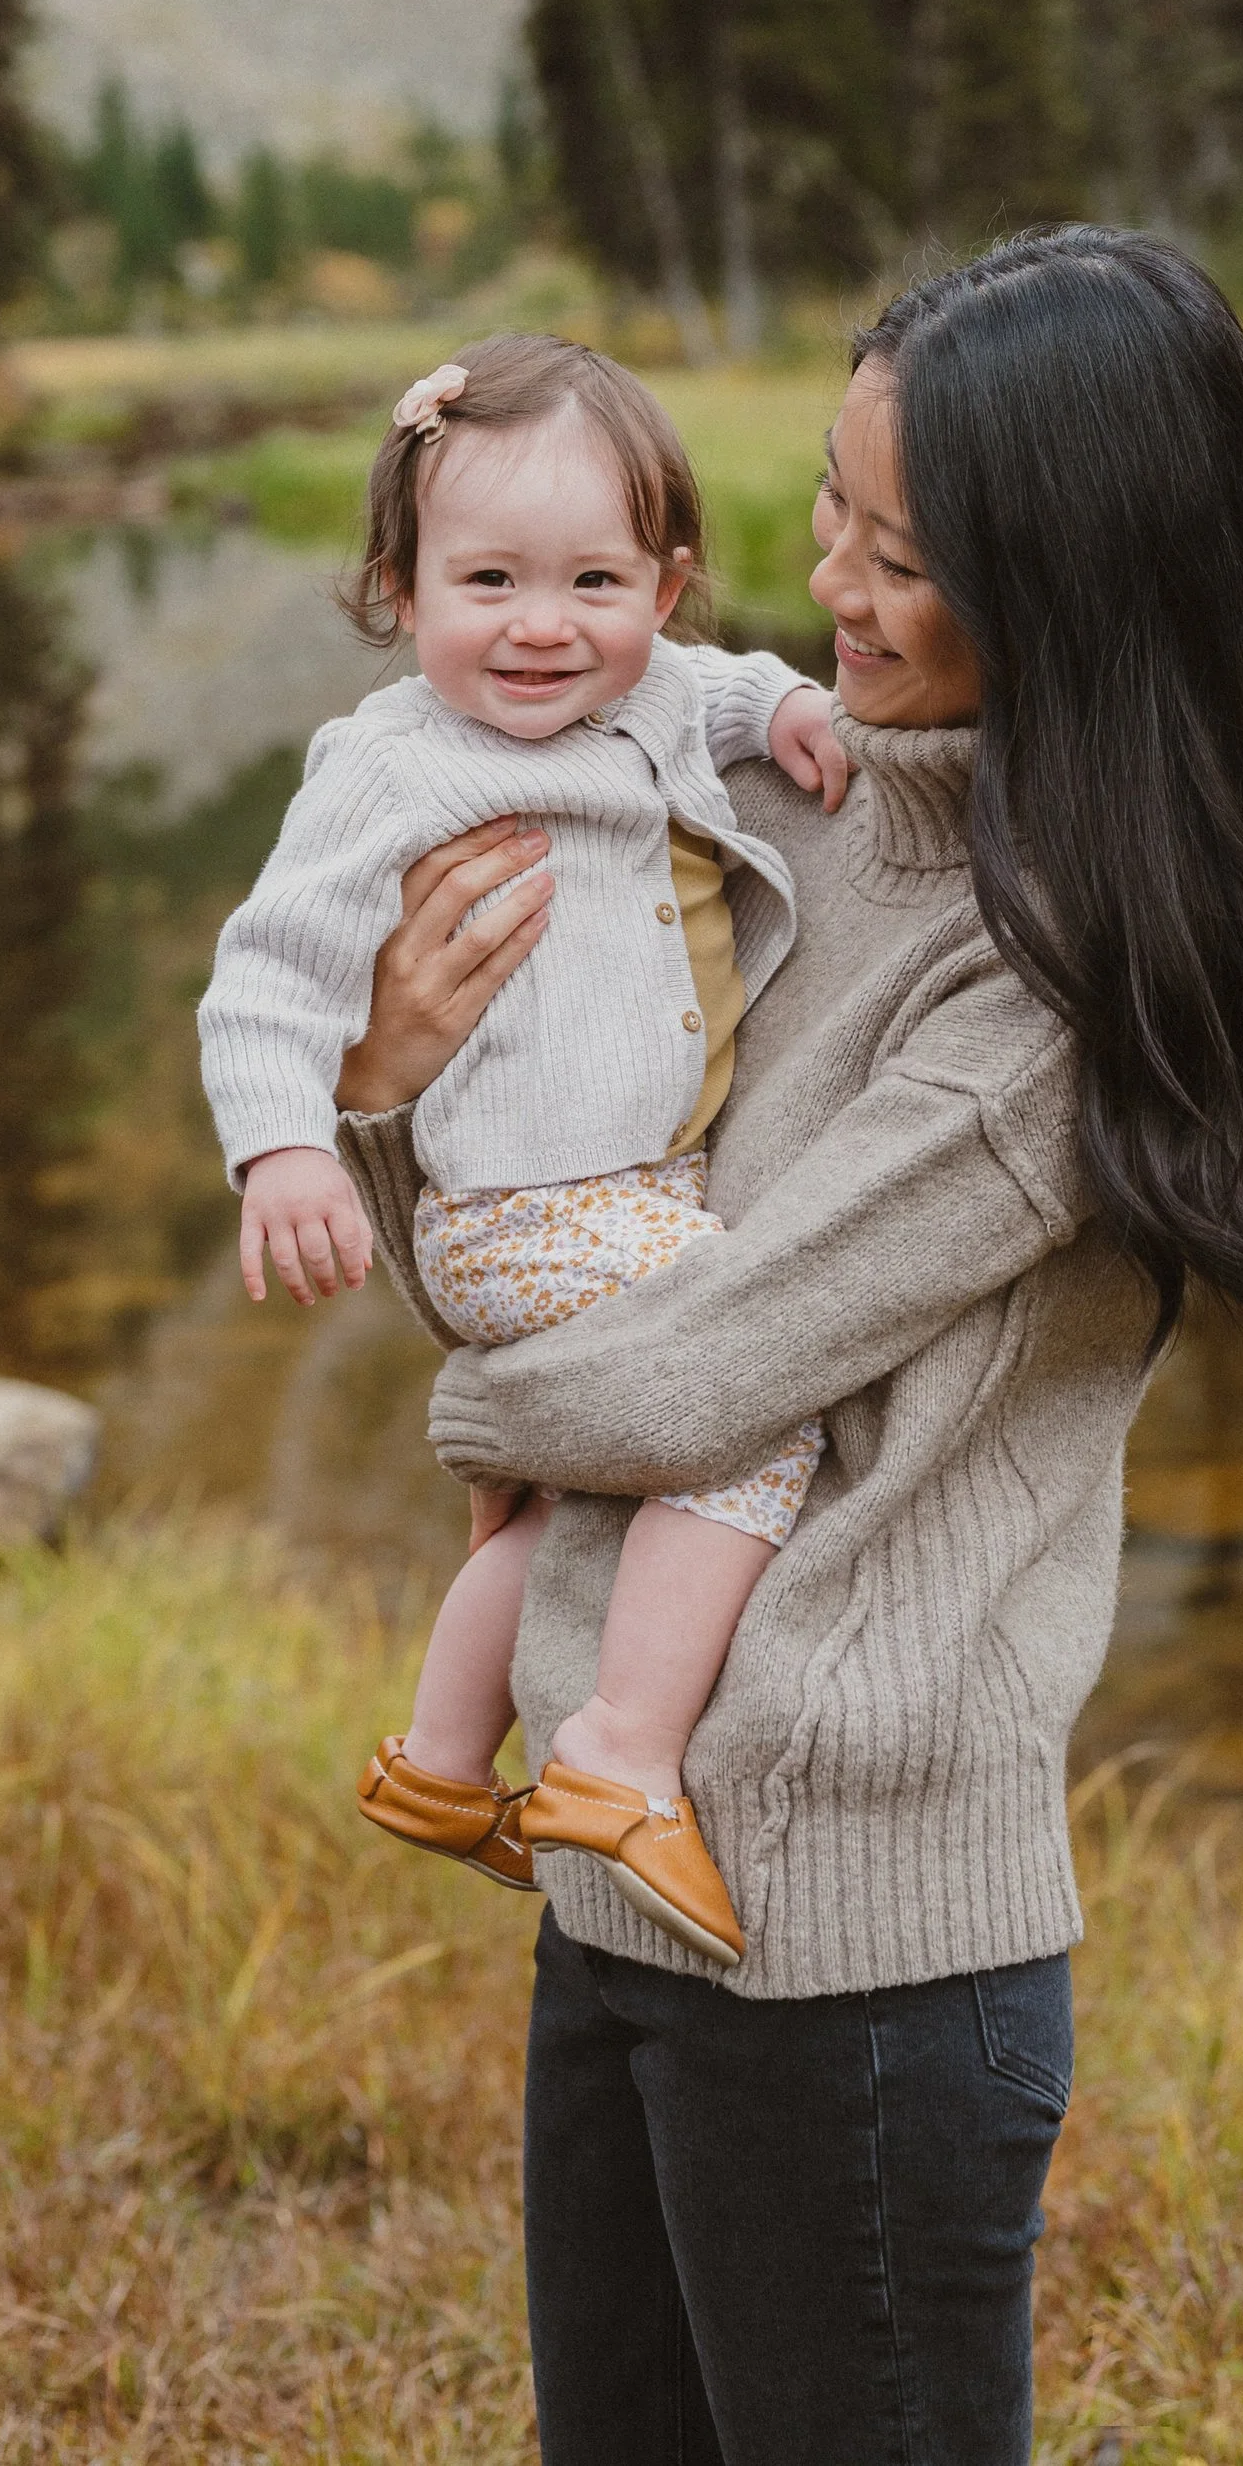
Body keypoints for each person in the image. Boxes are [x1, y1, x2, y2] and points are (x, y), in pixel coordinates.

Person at [329, 228, 1243, 2466]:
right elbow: (555, 1243)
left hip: (856, 1955)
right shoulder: (780, 823)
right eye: (823, 506)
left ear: (1074, 581)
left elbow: (688, 1364)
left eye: (898, 549)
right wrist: (387, 1096)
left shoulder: (1067, 990)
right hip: (612, 1865)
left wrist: (479, 1409)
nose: (827, 578)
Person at [199, 333, 851, 1966]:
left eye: (595, 580)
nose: (544, 624)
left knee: (566, 1508)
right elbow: (270, 969)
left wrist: (788, 698)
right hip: (525, 1213)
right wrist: (285, 1150)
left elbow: (722, 684)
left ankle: (435, 1760)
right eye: (488, 578)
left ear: (669, 585)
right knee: (756, 1384)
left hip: (630, 1194)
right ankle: (623, 1752)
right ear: (399, 591)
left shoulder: (653, 690)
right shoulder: (400, 761)